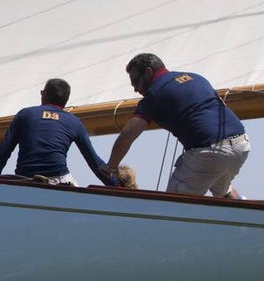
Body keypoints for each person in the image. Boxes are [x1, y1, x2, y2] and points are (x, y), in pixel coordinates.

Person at [105, 53, 249, 198]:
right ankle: (242, 207)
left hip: (208, 152)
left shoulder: (154, 94)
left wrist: (110, 167)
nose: (136, 89)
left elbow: (127, 136)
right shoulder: (196, 77)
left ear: (148, 72)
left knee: (172, 203)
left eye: (136, 82)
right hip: (241, 145)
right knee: (220, 184)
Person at [0, 78, 116, 186]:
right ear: (65, 101)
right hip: (58, 180)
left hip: (24, 178)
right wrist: (116, 185)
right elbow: (94, 162)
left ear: (44, 94)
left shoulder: (25, 114)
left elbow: (4, 150)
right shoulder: (74, 122)